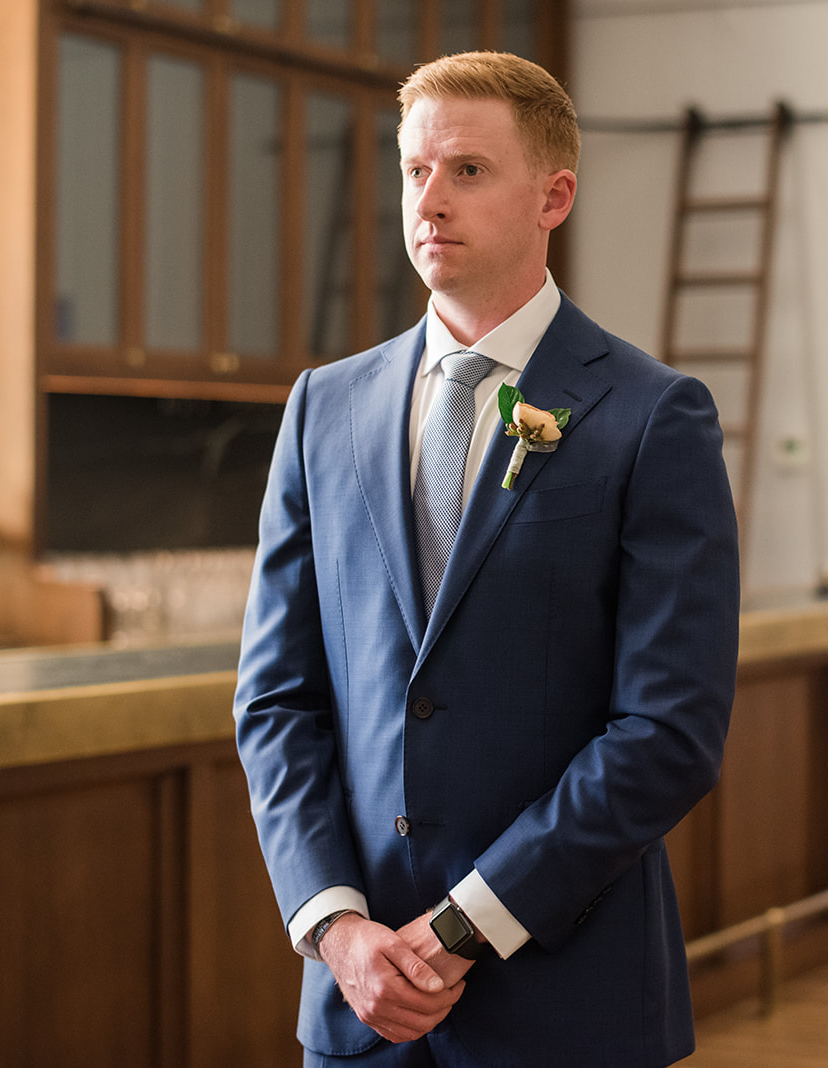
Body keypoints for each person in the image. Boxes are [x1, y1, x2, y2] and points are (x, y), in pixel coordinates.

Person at [233, 51, 739, 1066]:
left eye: (467, 170)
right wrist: (338, 930)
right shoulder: (321, 410)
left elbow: (668, 730)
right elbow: (276, 699)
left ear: (554, 196)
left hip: (566, 997)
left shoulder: (651, 417)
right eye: (416, 170)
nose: (431, 198)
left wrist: (465, 926)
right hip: (360, 997)